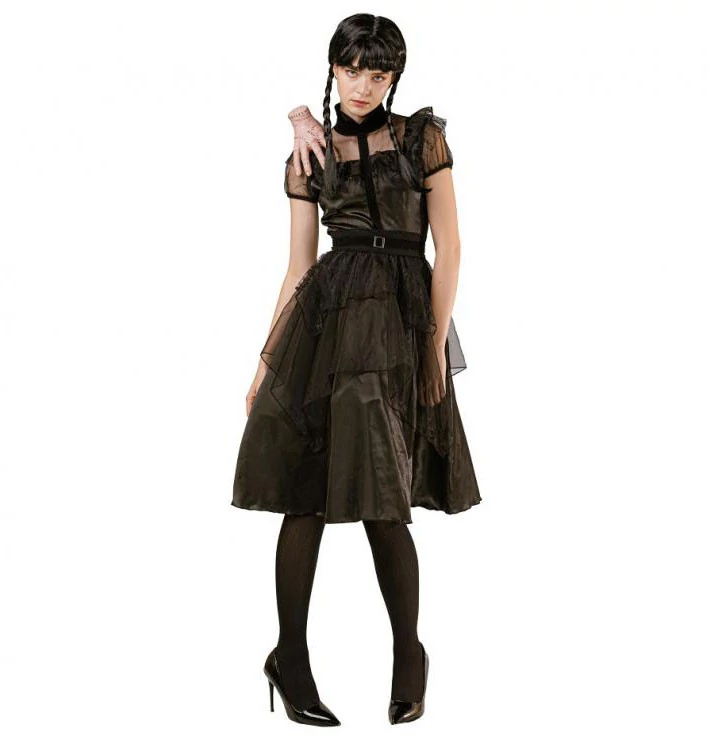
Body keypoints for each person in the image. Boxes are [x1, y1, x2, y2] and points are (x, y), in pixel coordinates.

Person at [231, 13, 481, 727]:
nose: (363, 85)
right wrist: (266, 362)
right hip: (327, 325)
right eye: (350, 70)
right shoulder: (310, 154)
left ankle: (409, 653)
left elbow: (450, 248)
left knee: (382, 493)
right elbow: (297, 265)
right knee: (305, 493)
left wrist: (432, 345)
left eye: (378, 73)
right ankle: (290, 658)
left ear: (394, 77)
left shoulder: (421, 139)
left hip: (397, 323)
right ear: (333, 69)